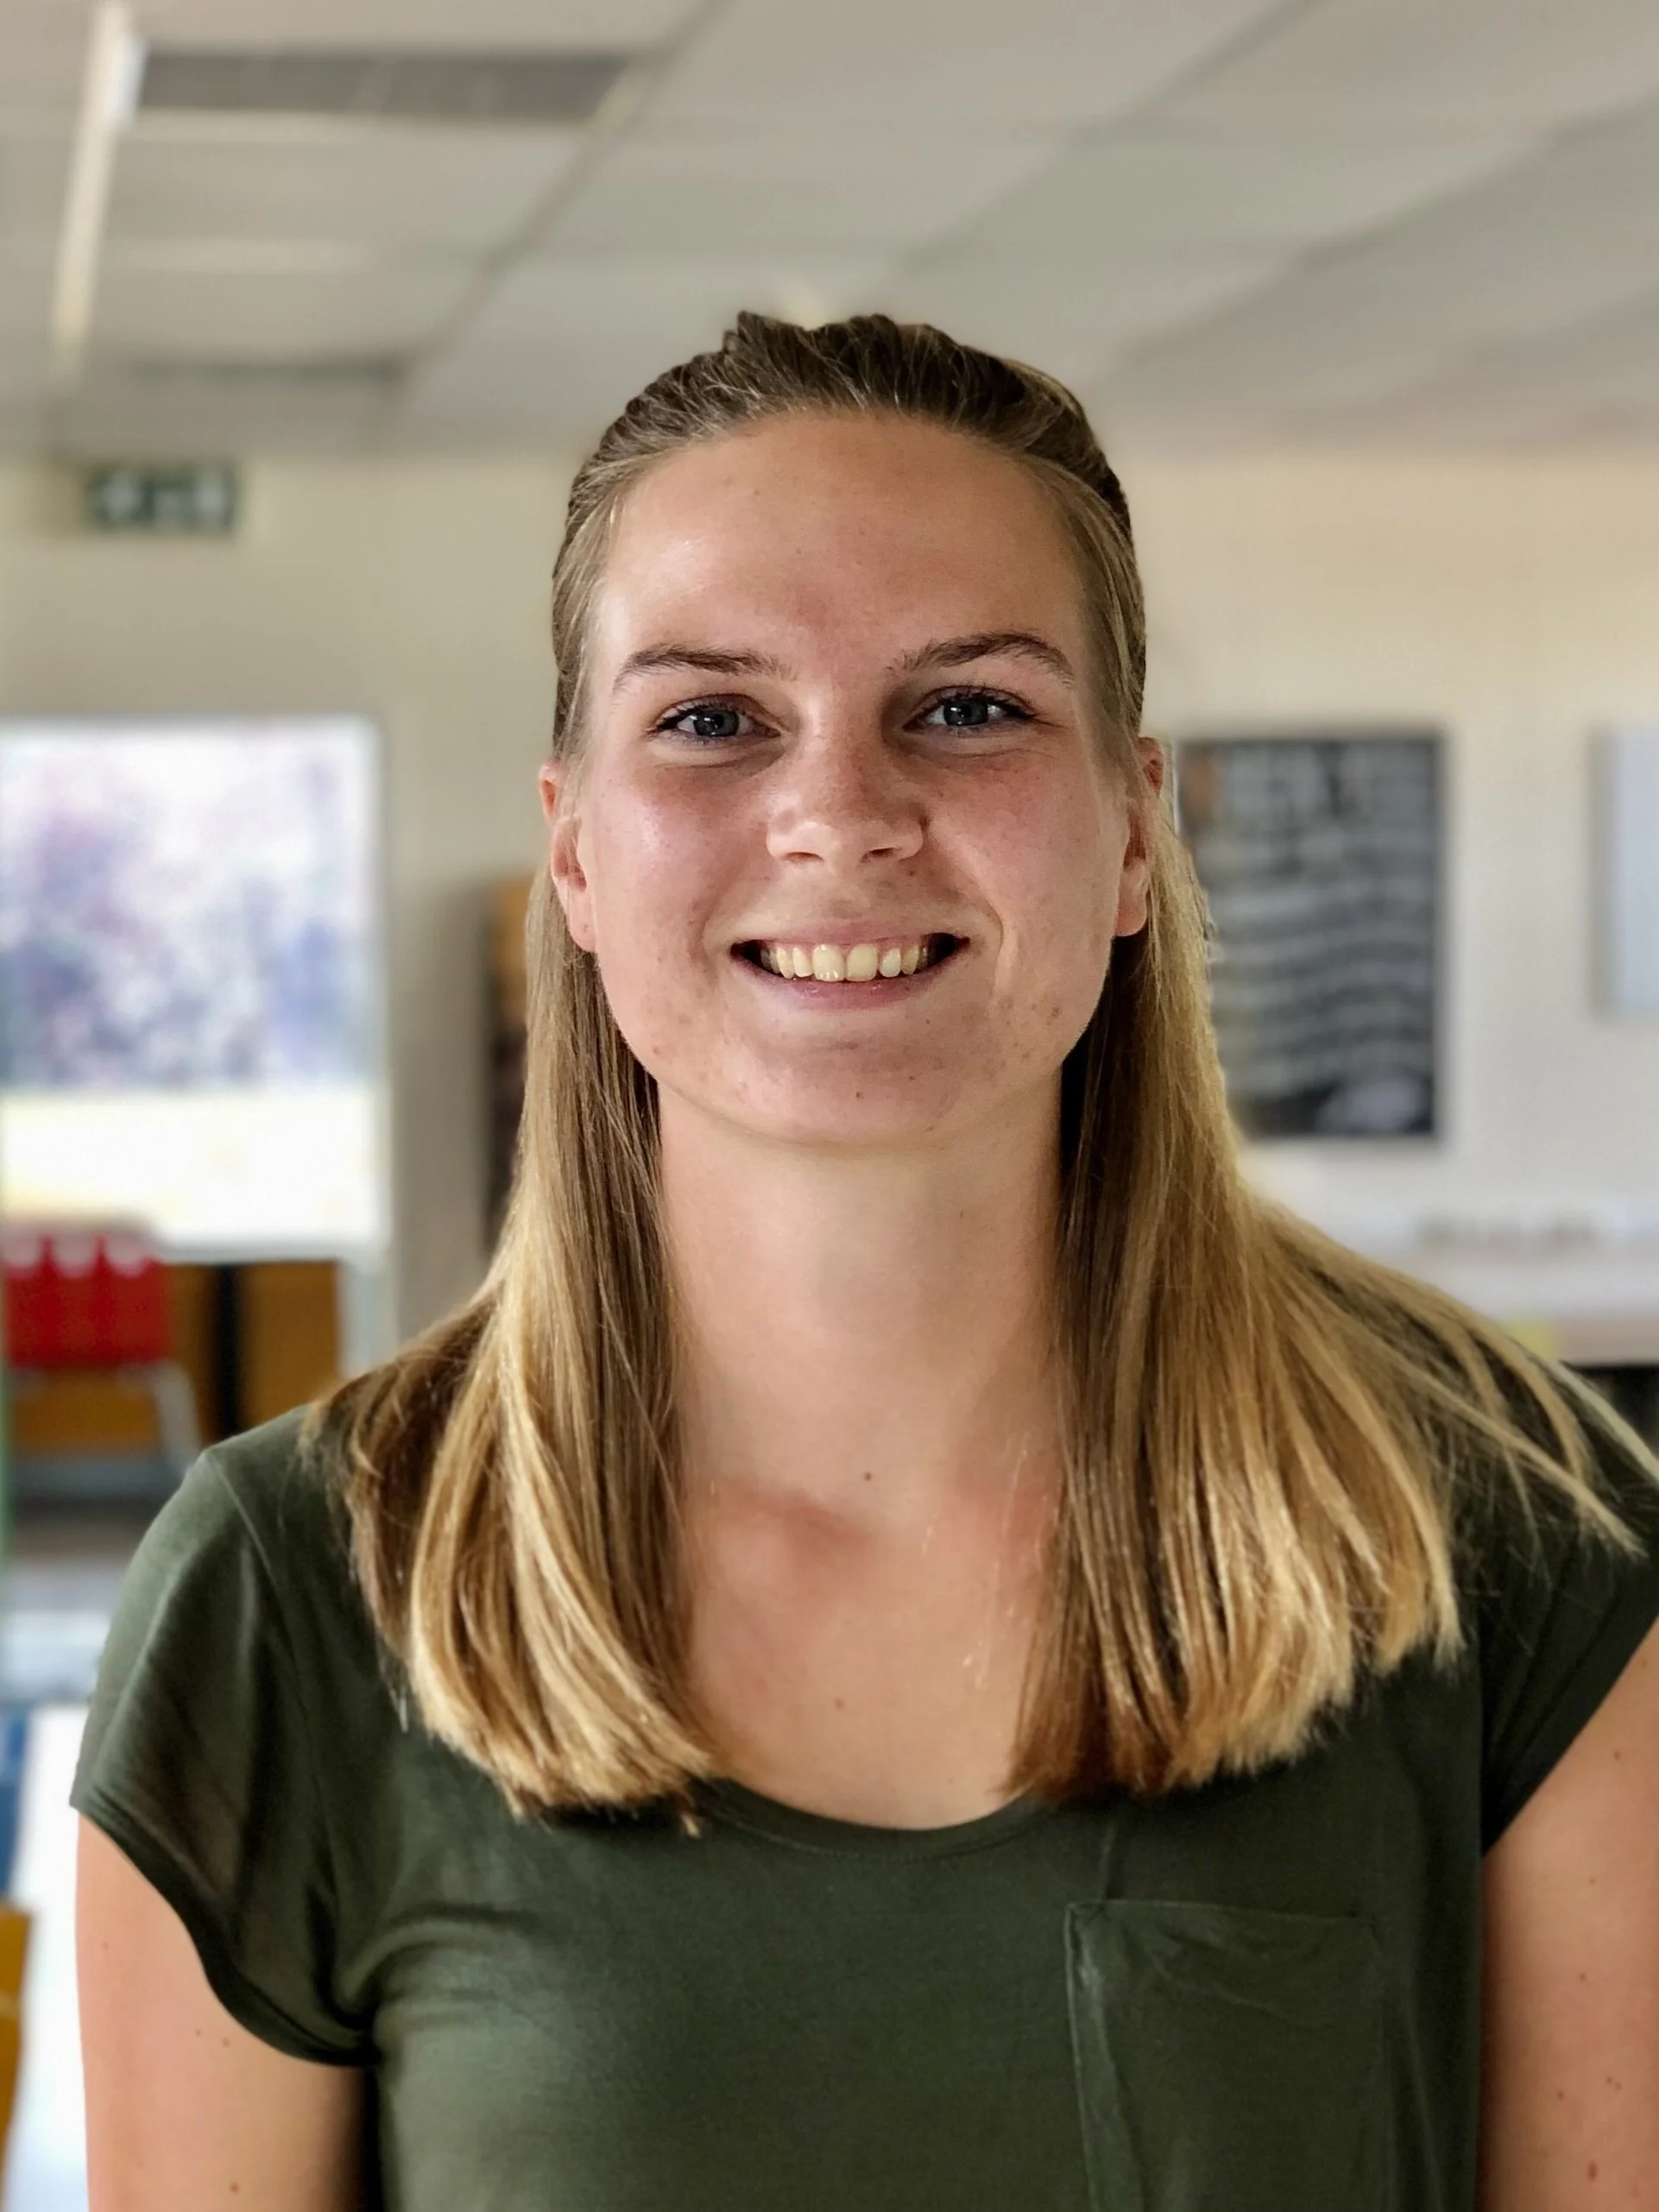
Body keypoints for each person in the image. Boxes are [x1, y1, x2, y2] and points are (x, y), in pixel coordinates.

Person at [76, 314, 1659, 2212]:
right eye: (711, 719)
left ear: (1134, 830)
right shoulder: (296, 1592)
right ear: (573, 856)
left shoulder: (1507, 1532)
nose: (838, 813)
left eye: (970, 707)